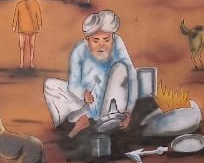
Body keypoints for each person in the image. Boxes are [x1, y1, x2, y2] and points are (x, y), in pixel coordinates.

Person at [43, 10, 137, 138]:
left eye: (106, 40)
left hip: (110, 103)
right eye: (96, 40)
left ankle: (109, 119)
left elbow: (131, 76)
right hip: (87, 103)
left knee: (121, 68)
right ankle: (69, 125)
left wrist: (129, 111)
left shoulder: (118, 44)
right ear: (87, 40)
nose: (101, 45)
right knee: (50, 85)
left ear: (112, 37)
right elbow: (73, 84)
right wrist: (83, 93)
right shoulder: (79, 51)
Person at [11, 0, 42, 70]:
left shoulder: (35, 4)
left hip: (33, 28)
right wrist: (14, 26)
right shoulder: (19, 5)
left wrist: (39, 24)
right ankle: (21, 63)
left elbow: (38, 15)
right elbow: (15, 16)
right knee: (21, 46)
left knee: (32, 45)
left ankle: (31, 63)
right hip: (22, 28)